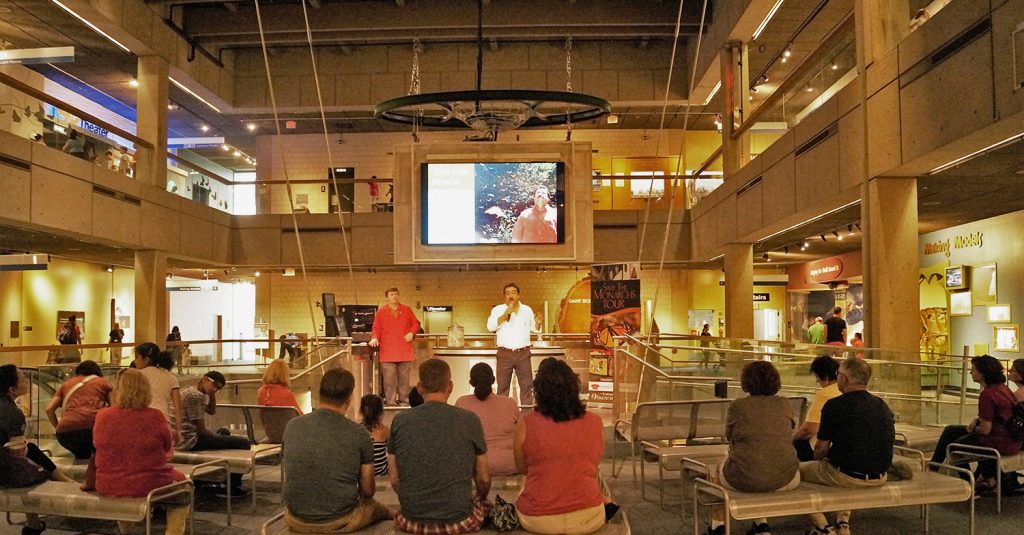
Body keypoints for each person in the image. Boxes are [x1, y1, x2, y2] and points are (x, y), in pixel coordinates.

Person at [514, 358, 616, 534]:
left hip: (538, 519)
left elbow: (522, 468)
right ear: (574, 388)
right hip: (589, 516)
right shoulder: (595, 421)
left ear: (539, 391)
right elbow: (594, 461)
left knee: (525, 484)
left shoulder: (526, 423)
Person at [388, 359, 491, 533]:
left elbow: (394, 479)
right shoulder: (469, 419)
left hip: (411, 520)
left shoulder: (399, 420)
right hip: (459, 520)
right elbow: (484, 479)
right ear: (449, 386)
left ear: (419, 387)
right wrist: (479, 498)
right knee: (486, 506)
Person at [282, 369, 393, 532]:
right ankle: (394, 515)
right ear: (349, 398)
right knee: (376, 508)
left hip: (295, 517)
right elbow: (368, 491)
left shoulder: (292, 425)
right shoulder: (359, 433)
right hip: (340, 519)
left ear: (320, 393)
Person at [704, 361, 799, 535]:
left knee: (719, 469)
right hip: (787, 477)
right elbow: (789, 431)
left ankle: (717, 525)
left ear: (746, 382)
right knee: (763, 463)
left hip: (744, 477)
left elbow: (729, 436)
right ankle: (761, 524)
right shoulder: (785, 403)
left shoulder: (738, 406)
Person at [90, 368, 190, 535]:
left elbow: (96, 444)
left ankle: (126, 531)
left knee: (123, 491)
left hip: (108, 484)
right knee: (185, 487)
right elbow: (167, 447)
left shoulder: (103, 416)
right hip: (149, 483)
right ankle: (173, 532)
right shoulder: (155, 416)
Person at [801, 358, 894, 535]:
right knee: (847, 465)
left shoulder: (835, 405)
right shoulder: (882, 405)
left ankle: (822, 526)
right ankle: (842, 521)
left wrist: (817, 465)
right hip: (880, 475)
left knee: (795, 473)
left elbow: (821, 449)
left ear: (844, 378)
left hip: (847, 476)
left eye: (838, 375)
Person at [1, 365, 75, 535]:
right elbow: (17, 451)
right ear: (12, 389)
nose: (27, 381)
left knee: (31, 451)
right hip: (5, 471)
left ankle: (33, 524)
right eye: (23, 379)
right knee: (31, 458)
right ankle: (63, 481)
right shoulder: (11, 413)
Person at [930, 355, 1020, 493]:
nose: (971, 372)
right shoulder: (1003, 389)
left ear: (983, 373)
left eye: (973, 369)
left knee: (953, 446)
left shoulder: (987, 394)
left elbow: (985, 430)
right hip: (1011, 437)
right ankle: (933, 468)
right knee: (950, 430)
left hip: (999, 441)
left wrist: (972, 428)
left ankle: (967, 484)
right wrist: (975, 423)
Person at [455, 363, 519, 476]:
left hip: (475, 467)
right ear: (493, 380)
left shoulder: (462, 403)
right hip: (508, 465)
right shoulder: (510, 404)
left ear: (471, 383)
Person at [486, 283, 542, 406]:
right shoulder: (498, 310)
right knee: (502, 388)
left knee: (527, 387)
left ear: (518, 295)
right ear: (504, 296)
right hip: (504, 353)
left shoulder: (527, 310)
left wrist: (537, 323)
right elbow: (490, 327)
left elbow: (535, 329)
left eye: (513, 292)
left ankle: (526, 416)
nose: (510, 295)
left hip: (523, 353)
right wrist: (505, 315)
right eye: (507, 293)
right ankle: (502, 416)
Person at [45, 360, 113, 459]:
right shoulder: (103, 382)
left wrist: (58, 427)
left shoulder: (66, 384)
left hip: (66, 434)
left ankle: (80, 474)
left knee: (81, 458)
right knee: (96, 458)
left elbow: (49, 409)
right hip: (94, 429)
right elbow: (115, 407)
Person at [369, 287, 420, 407]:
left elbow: (416, 324)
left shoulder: (407, 310)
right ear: (387, 297)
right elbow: (376, 328)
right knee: (389, 380)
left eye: (396, 294)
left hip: (404, 351)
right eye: (392, 294)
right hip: (387, 352)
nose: (395, 296)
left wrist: (412, 333)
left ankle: (404, 401)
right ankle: (390, 402)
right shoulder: (381, 312)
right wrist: (374, 337)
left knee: (404, 380)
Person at [793, 356, 842, 462]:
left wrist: (793, 437)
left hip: (824, 450)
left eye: (817, 377)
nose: (816, 381)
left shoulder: (824, 394)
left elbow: (809, 430)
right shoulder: (844, 391)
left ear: (824, 376)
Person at [134, 344, 184, 445]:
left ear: (146, 359)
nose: (135, 361)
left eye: (137, 357)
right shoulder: (170, 377)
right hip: (163, 421)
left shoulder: (137, 375)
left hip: (141, 421)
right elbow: (178, 406)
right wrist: (178, 430)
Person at [359, 394, 389, 476]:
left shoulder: (358, 431)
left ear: (361, 411)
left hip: (364, 474)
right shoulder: (385, 431)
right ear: (381, 412)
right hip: (383, 474)